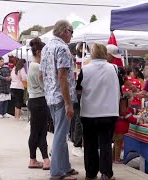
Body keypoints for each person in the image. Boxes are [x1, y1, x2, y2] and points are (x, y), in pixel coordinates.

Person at [40, 20, 78, 180]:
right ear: (64, 31)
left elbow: (42, 75)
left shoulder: (46, 47)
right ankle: (56, 172)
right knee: (60, 135)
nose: (72, 35)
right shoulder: (62, 48)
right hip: (62, 98)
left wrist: (48, 90)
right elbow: (62, 77)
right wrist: (68, 103)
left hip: (51, 97)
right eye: (71, 31)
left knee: (60, 134)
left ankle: (65, 167)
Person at [76, 43, 119, 180]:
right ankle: (106, 173)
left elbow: (78, 89)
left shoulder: (85, 69)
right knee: (106, 143)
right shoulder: (114, 68)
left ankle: (91, 172)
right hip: (109, 112)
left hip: (89, 112)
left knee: (90, 144)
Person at [27, 37, 50, 170]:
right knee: (40, 132)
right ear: (40, 52)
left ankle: (35, 159)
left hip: (35, 100)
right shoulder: (38, 67)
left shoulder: (32, 66)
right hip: (39, 101)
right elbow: (44, 85)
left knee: (36, 131)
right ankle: (43, 159)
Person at [113, 91, 139, 164]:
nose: (132, 102)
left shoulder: (123, 106)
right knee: (118, 143)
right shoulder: (124, 108)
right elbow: (129, 117)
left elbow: (131, 111)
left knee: (116, 143)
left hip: (118, 127)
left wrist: (136, 110)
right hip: (120, 128)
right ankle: (117, 159)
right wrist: (137, 121)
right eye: (131, 100)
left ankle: (113, 157)